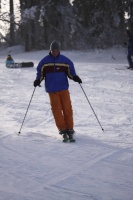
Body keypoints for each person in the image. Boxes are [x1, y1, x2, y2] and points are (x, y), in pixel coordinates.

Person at [33, 40, 82, 141]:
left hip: (63, 88)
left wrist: (75, 77)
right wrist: (38, 80)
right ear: (50, 50)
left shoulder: (65, 61)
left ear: (59, 50)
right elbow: (40, 73)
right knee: (56, 109)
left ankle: (70, 128)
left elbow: (71, 72)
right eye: (53, 50)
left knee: (67, 108)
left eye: (56, 50)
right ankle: (62, 128)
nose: (55, 52)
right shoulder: (44, 62)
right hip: (52, 90)